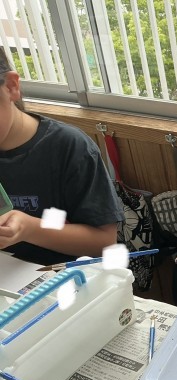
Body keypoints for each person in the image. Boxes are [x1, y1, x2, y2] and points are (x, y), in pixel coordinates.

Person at [0, 47, 124, 266]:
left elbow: (104, 241)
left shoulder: (69, 147)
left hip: (68, 277)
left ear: (11, 86)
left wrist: (30, 229)